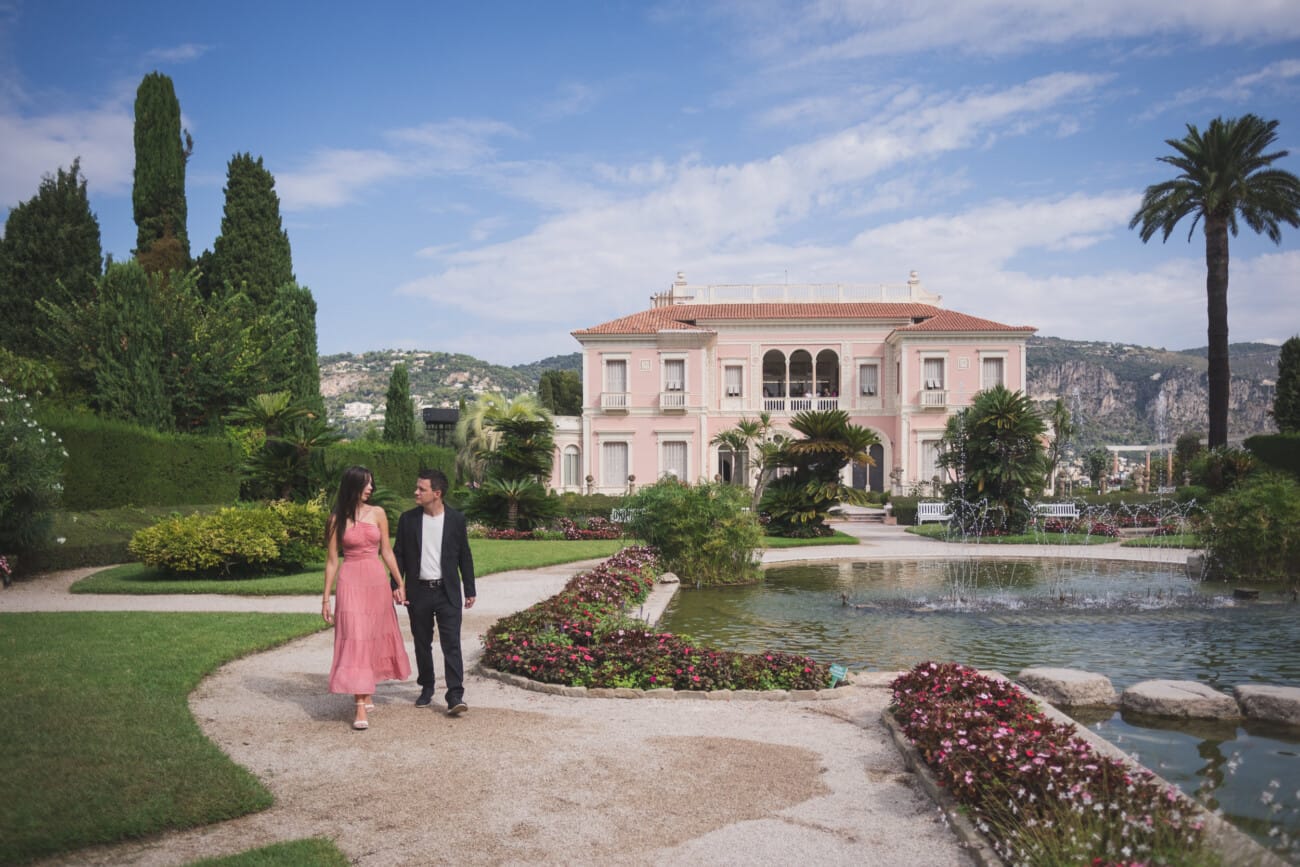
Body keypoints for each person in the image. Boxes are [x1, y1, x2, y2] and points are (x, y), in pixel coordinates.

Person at [323, 466, 411, 730]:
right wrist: (326, 598)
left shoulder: (379, 513)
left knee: (371, 635)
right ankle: (360, 704)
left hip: (375, 580)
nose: (371, 488)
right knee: (355, 637)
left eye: (372, 483)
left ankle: (366, 686)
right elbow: (331, 562)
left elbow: (387, 551)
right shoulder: (336, 519)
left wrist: (399, 581)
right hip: (350, 580)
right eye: (366, 484)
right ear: (353, 486)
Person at [393, 468, 476, 716]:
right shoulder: (408, 520)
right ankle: (427, 687)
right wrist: (397, 584)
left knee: (451, 644)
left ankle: (455, 694)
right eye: (417, 488)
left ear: (437, 493)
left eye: (421, 489)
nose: (415, 492)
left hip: (447, 591)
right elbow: (398, 554)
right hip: (419, 592)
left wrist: (469, 588)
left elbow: (465, 555)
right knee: (422, 643)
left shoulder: (456, 519)